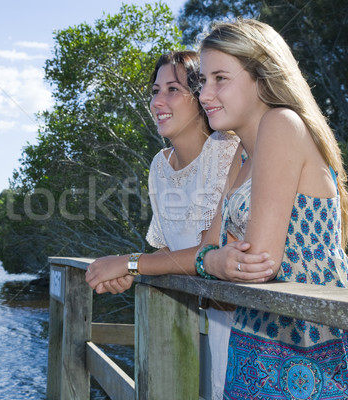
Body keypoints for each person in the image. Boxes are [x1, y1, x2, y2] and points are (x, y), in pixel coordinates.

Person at [196, 19, 348, 399]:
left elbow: (257, 261)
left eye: (220, 78)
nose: (204, 94)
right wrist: (212, 261)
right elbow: (209, 247)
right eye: (202, 81)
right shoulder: (240, 153)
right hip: (257, 334)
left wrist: (214, 262)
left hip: (311, 336)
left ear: (262, 76)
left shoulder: (282, 123)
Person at [85, 50, 272, 400]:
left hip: (240, 320)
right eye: (155, 90)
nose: (158, 101)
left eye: (172, 89)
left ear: (200, 97)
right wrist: (132, 271)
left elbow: (209, 251)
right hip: (188, 319)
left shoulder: (226, 150)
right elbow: (170, 252)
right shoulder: (160, 165)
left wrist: (130, 262)